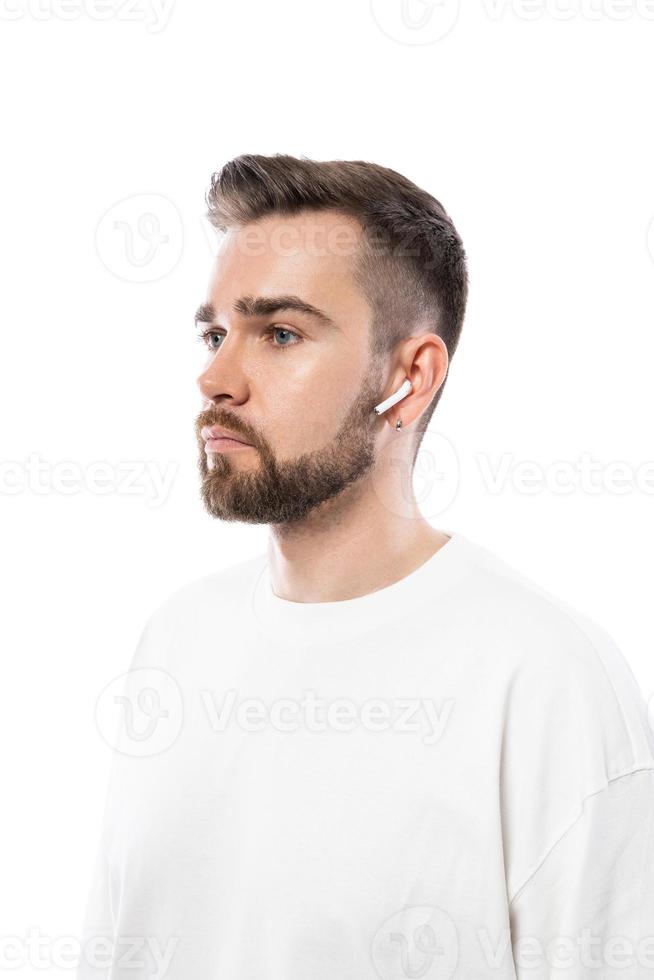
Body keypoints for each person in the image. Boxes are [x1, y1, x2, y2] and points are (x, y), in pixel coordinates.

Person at [77, 154, 654, 979]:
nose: (214, 378)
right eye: (214, 333)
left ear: (408, 379)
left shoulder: (545, 680)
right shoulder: (175, 641)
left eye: (279, 333)